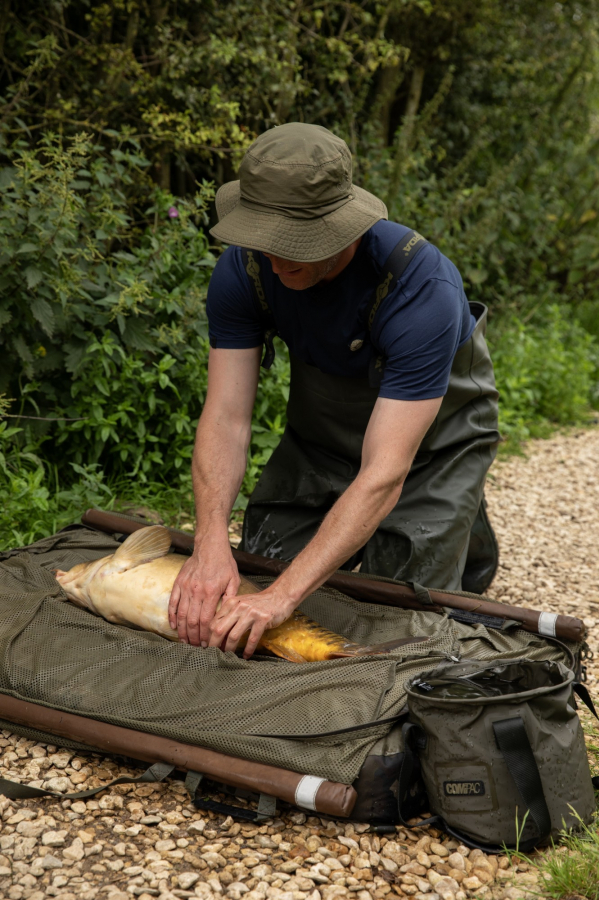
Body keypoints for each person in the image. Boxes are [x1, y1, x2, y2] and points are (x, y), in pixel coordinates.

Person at [168, 123, 500, 658]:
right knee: (259, 569)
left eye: (292, 244)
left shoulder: (422, 289)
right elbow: (227, 416)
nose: (274, 260)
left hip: (430, 449)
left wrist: (281, 598)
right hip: (321, 440)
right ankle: (449, 525)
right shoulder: (243, 270)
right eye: (262, 238)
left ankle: (456, 517)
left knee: (400, 615)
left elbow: (385, 471)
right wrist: (210, 545)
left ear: (341, 226)